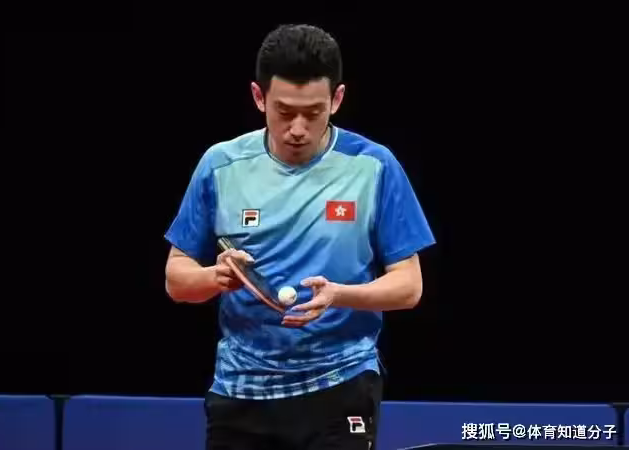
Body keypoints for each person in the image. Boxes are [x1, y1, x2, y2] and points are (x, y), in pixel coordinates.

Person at [164, 23, 435, 450]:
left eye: (313, 113)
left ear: (337, 100)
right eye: (284, 111)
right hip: (242, 391)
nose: (297, 128)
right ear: (259, 97)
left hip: (341, 380)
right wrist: (215, 277)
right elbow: (176, 279)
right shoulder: (220, 165)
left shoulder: (374, 166)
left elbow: (409, 286)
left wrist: (340, 295)